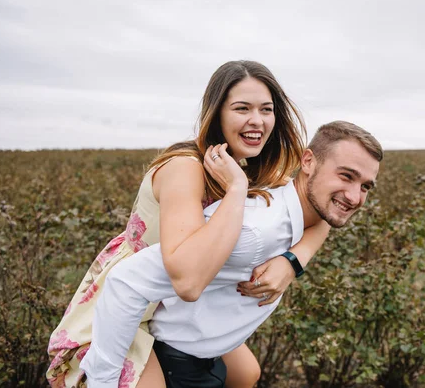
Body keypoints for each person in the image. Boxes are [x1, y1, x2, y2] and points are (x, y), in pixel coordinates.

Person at [47, 60, 330, 388]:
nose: (257, 120)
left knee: (246, 375)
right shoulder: (187, 167)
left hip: (179, 306)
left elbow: (321, 213)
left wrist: (292, 262)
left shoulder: (246, 167)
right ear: (217, 113)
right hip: (131, 303)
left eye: (266, 110)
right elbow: (187, 279)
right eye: (242, 108)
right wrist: (237, 190)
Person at [82, 121, 383, 388]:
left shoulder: (301, 204)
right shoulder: (252, 231)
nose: (356, 197)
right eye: (346, 176)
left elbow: (323, 222)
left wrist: (293, 261)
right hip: (174, 360)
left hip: (208, 356)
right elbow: (126, 282)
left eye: (366, 186)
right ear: (307, 162)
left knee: (247, 373)